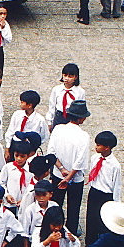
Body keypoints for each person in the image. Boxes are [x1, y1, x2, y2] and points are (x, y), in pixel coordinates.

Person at [47, 99, 90, 237]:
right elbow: (80, 161)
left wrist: (61, 169)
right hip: (74, 178)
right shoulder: (83, 136)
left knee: (55, 202)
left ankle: (54, 226)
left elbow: (51, 151)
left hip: (58, 173)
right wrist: (69, 176)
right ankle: (71, 230)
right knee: (74, 205)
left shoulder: (58, 129)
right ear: (82, 118)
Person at [84, 131, 121, 247]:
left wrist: (116, 202)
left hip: (106, 195)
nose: (96, 147)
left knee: (103, 221)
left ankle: (102, 245)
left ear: (107, 147)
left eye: (99, 145)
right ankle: (90, 244)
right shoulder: (95, 158)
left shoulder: (115, 165)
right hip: (95, 191)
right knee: (91, 218)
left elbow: (117, 184)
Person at [46, 64, 85, 130]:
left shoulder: (80, 91)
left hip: (72, 118)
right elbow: (52, 106)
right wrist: (49, 122)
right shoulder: (56, 89)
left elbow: (80, 108)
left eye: (70, 76)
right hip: (59, 117)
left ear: (76, 77)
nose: (66, 78)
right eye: (65, 75)